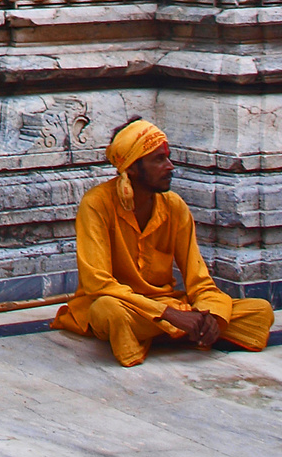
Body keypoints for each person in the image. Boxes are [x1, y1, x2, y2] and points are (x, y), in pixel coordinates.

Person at [52, 118, 275, 366]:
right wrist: (170, 315)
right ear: (133, 168)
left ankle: (167, 332)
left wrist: (211, 315)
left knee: (260, 310)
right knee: (109, 312)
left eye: (167, 158)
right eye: (159, 159)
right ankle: (176, 331)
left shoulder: (174, 206)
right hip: (124, 306)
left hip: (166, 305)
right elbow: (99, 285)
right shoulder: (96, 204)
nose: (170, 167)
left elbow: (200, 281)